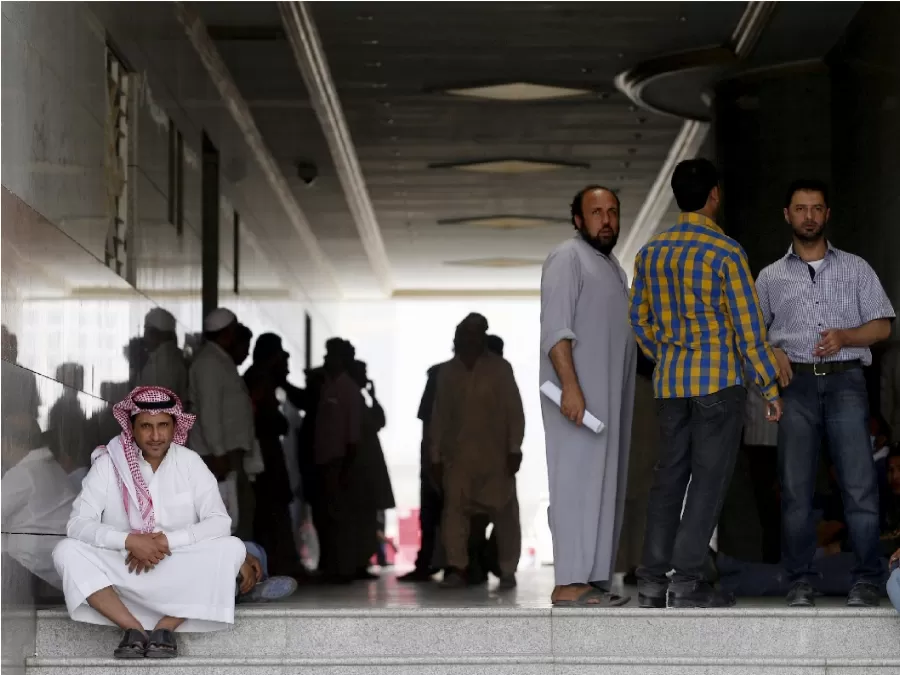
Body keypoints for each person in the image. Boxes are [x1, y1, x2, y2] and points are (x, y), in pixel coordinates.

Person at [629, 159, 782, 609]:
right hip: (718, 382)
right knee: (707, 482)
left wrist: (668, 355)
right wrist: (770, 390)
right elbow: (749, 329)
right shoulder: (726, 253)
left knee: (668, 479)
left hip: (671, 385)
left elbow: (639, 320)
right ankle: (688, 580)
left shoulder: (650, 253)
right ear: (714, 195)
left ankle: (652, 580)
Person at [755, 179, 896, 608]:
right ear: (787, 215)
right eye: (801, 208)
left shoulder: (856, 268)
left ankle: (868, 579)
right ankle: (799, 579)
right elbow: (752, 338)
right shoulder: (769, 277)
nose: (809, 216)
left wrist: (847, 336)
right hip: (794, 384)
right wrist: (771, 355)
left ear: (827, 214)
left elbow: (884, 325)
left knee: (859, 484)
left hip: (846, 381)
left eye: (817, 208)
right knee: (795, 488)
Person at [52, 386, 246, 659]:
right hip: (124, 573)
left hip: (178, 569)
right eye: (146, 426)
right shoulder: (108, 464)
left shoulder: (190, 463)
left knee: (232, 547)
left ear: (174, 426)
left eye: (163, 426)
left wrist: (166, 541)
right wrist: (129, 540)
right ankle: (133, 629)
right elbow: (77, 524)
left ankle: (166, 627)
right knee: (66, 551)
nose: (156, 436)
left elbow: (219, 522)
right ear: (131, 427)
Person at [540, 185, 635, 607]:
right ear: (578, 219)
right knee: (575, 484)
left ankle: (591, 579)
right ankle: (568, 581)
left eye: (612, 212)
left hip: (608, 400)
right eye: (596, 212)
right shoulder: (567, 258)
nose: (607, 220)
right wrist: (572, 388)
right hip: (575, 399)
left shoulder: (613, 266)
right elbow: (556, 331)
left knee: (604, 484)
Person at [430, 313, 525, 590]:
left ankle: (508, 570)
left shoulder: (500, 369)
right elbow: (439, 418)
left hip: (497, 458)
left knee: (505, 515)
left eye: (475, 333)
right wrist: (434, 458)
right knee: (455, 514)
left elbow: (514, 412)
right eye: (465, 333)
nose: (469, 338)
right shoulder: (447, 372)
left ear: (483, 337)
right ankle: (457, 568)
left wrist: (514, 448)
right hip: (457, 459)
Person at [187, 309, 257, 540]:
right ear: (227, 333)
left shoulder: (219, 360)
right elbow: (209, 413)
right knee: (230, 515)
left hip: (226, 454)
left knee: (239, 512)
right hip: (217, 455)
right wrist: (218, 454)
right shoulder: (209, 363)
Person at [244, 333, 304, 578]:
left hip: (267, 455)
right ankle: (278, 566)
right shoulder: (259, 378)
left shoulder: (265, 378)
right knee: (271, 510)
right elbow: (268, 419)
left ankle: (282, 564)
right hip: (263, 456)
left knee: (275, 508)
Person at [313, 341, 365, 583]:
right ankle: (333, 567)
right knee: (329, 518)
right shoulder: (328, 386)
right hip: (326, 462)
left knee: (341, 518)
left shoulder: (349, 390)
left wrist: (345, 469)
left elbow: (353, 436)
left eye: (330, 356)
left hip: (339, 462)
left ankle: (344, 569)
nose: (325, 360)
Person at [399, 356, 450, 582]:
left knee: (435, 516)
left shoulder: (441, 375)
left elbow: (427, 425)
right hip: (444, 459)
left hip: (439, 459)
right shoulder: (451, 375)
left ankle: (431, 562)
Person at [135, 308, 188, 401]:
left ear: (155, 334)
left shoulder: (159, 363)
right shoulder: (175, 356)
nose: (144, 337)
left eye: (146, 331)